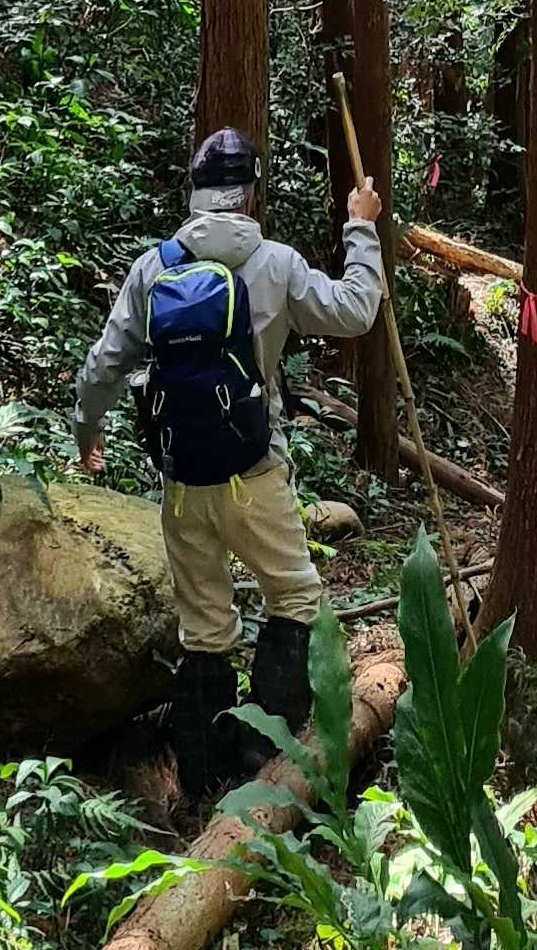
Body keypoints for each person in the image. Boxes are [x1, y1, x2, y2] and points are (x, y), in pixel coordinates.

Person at [74, 124, 383, 801]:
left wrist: (86, 432)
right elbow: (358, 310)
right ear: (250, 192)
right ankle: (262, 760)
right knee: (294, 598)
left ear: (195, 191)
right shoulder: (275, 263)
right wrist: (361, 228)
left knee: (204, 624)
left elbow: (104, 365)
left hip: (183, 478)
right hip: (255, 471)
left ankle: (201, 773)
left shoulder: (154, 267)